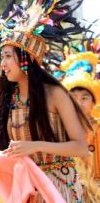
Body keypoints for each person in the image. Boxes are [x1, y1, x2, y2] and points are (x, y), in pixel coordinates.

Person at [0, 0, 95, 202]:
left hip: (58, 185)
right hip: (25, 187)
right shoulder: (9, 97)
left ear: (26, 59)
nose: (2, 64)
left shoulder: (54, 94)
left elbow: (80, 147)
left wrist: (36, 146)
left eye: (8, 56)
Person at [57, 37, 100, 202]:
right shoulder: (60, 129)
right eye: (73, 97)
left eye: (84, 98)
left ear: (93, 102)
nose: (79, 103)